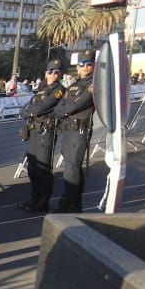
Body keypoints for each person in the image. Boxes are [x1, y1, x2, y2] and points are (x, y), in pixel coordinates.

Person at [16, 60, 68, 214]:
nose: (53, 74)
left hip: (46, 130)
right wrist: (31, 111)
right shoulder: (41, 90)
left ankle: (43, 201)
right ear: (46, 73)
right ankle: (34, 198)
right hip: (34, 130)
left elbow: (43, 107)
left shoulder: (59, 90)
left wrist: (32, 111)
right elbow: (24, 109)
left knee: (43, 168)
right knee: (32, 167)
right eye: (51, 71)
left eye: (57, 72)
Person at [53, 50, 97, 213]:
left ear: (94, 66)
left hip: (79, 130)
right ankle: (75, 202)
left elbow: (77, 105)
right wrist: (63, 111)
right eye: (81, 64)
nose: (84, 67)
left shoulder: (93, 85)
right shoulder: (74, 85)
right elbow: (60, 105)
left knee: (72, 168)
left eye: (88, 64)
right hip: (67, 130)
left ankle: (68, 201)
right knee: (72, 167)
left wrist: (64, 111)